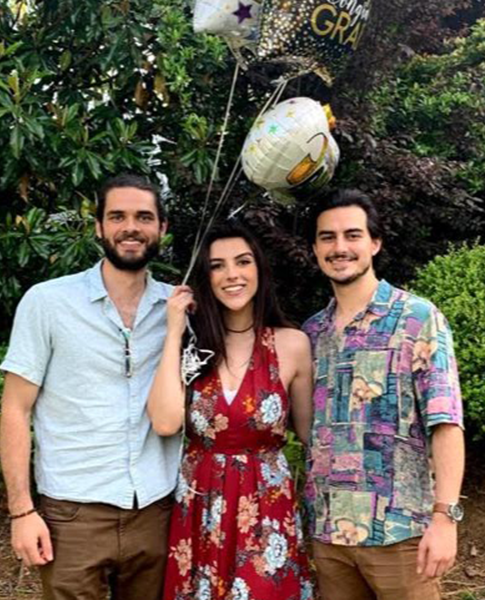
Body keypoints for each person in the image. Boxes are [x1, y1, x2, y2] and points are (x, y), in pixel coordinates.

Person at [0, 174, 178, 600]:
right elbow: (15, 409)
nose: (130, 227)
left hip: (157, 509)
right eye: (117, 216)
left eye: (143, 217)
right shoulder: (47, 302)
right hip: (73, 515)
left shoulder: (178, 307)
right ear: (98, 226)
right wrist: (21, 511)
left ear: (162, 229)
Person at [302, 189, 465, 600]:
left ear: (374, 243)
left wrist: (446, 518)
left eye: (352, 235)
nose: (340, 247)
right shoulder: (311, 333)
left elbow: (446, 423)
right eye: (327, 237)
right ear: (315, 248)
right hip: (328, 535)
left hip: (401, 533)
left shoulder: (417, 319)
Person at [147, 220, 314, 600]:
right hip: (200, 505)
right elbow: (165, 421)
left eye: (243, 261)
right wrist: (174, 330)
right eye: (217, 266)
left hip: (267, 505)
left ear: (260, 269)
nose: (232, 275)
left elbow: (310, 436)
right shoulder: (192, 346)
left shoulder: (292, 345)